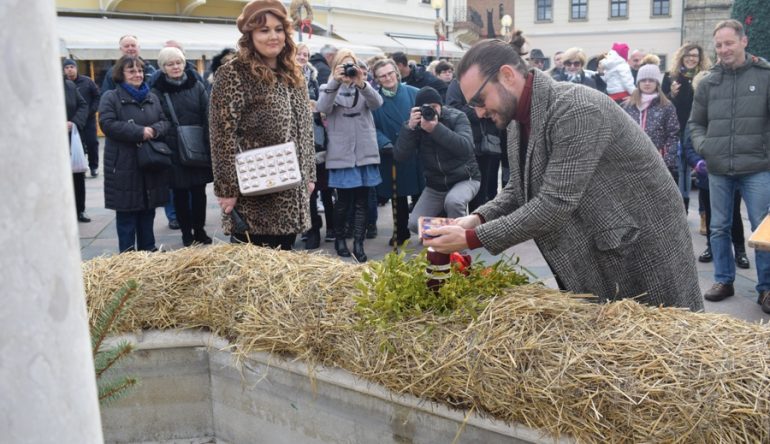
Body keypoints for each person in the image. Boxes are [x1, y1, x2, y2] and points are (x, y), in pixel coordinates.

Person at [423, 35, 703, 311]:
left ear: (507, 76)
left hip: (645, 244)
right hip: (609, 240)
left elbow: (555, 203)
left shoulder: (576, 109)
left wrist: (474, 238)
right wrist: (475, 219)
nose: (480, 112)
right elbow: (519, 188)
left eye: (480, 100)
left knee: (665, 346)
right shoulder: (515, 118)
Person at [210, 0, 316, 251]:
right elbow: (221, 136)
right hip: (254, 193)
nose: (273, 36)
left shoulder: (293, 72)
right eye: (264, 30)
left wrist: (310, 175)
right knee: (252, 277)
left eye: (278, 29)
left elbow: (305, 130)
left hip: (292, 187)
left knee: (284, 267)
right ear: (249, 35)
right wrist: (226, 189)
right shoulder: (233, 73)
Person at [689, 19, 770, 311]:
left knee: (763, 230)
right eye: (719, 45)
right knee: (719, 227)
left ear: (743, 41)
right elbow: (695, 124)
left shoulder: (764, 75)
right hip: (719, 168)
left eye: (729, 43)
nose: (723, 49)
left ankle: (767, 288)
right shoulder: (709, 81)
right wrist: (705, 147)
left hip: (758, 166)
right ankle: (724, 280)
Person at [98, 55, 171, 253]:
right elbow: (107, 124)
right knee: (127, 216)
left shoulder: (152, 97)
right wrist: (140, 131)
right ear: (121, 74)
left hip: (150, 163)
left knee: (148, 212)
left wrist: (154, 130)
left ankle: (148, 251)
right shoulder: (111, 97)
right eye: (131, 71)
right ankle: (128, 258)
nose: (137, 74)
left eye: (139, 70)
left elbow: (165, 122)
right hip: (124, 164)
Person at [316, 49, 383, 262]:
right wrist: (336, 82)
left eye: (351, 64)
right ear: (335, 67)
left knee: (362, 201)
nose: (348, 68)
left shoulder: (364, 87)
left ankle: (359, 243)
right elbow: (322, 108)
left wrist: (362, 83)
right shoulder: (327, 88)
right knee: (343, 201)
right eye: (343, 64)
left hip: (364, 151)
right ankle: (339, 239)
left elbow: (377, 104)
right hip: (342, 152)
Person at [151, 46, 214, 247]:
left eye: (178, 62)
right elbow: (158, 117)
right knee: (179, 193)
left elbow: (207, 112)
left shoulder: (196, 85)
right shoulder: (157, 90)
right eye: (170, 64)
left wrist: (207, 140)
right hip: (174, 148)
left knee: (199, 193)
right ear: (163, 67)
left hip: (197, 145)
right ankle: (187, 233)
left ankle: (200, 229)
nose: (175, 67)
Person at [395, 86, 480, 234]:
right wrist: (409, 129)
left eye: (434, 107)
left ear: (441, 105)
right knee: (415, 224)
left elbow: (466, 148)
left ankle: (458, 248)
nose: (431, 111)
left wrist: (435, 129)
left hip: (465, 178)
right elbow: (400, 156)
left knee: (453, 202)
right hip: (436, 184)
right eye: (425, 108)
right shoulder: (416, 124)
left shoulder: (457, 117)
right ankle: (452, 233)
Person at [370, 58, 423, 246]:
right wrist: (384, 143)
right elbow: (370, 127)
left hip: (416, 153)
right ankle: (400, 232)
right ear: (376, 79)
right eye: (382, 76)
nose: (388, 78)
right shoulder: (374, 100)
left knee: (422, 194)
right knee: (397, 197)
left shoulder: (415, 93)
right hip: (391, 152)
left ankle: (425, 232)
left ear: (397, 73)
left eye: (390, 73)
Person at [662, 43, 711, 216]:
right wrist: (671, 95)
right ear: (681, 57)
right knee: (681, 169)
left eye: (695, 55)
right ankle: (682, 208)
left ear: (700, 58)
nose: (691, 58)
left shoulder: (706, 77)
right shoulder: (670, 77)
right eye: (688, 55)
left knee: (701, 169)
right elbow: (663, 103)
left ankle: (704, 213)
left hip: (700, 128)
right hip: (678, 127)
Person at [296, 42, 334, 249]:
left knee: (324, 186)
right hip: (296, 139)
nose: (302, 57)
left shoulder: (314, 77)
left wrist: (317, 108)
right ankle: (311, 230)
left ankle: (331, 227)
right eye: (299, 53)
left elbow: (323, 103)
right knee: (306, 188)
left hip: (317, 136)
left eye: (305, 54)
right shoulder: (285, 76)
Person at [622, 64, 679, 181]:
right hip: (632, 163)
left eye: (651, 80)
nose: (647, 83)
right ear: (638, 83)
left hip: (658, 162)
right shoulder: (627, 106)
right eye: (643, 80)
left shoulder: (666, 106)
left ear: (657, 83)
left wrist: (668, 162)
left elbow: (673, 135)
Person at [63, 59, 101, 178]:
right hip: (72, 121)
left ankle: (94, 167)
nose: (70, 69)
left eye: (72, 67)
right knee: (76, 144)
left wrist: (92, 111)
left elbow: (97, 97)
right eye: (67, 67)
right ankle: (80, 166)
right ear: (64, 70)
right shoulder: (63, 84)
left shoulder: (87, 81)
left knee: (92, 143)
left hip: (88, 119)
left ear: (76, 68)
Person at [64, 78, 89, 223]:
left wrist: (74, 122)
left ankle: (80, 210)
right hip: (48, 139)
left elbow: (82, 105)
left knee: (77, 175)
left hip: (71, 137)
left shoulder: (69, 85)